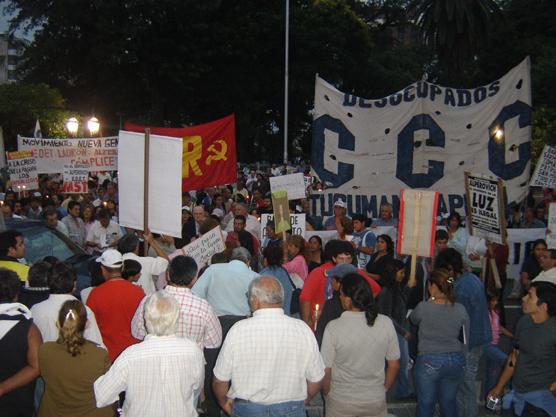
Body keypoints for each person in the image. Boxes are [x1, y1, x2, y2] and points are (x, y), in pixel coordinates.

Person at [212, 276, 325, 417]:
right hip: (291, 409)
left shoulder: (238, 330)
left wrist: (224, 404)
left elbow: (220, 380)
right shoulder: (302, 329)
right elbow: (317, 377)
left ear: (254, 300)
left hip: (248, 410)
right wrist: (304, 400)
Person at [94, 291, 205, 417]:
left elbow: (102, 397)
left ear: (146, 319)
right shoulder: (193, 351)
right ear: (176, 319)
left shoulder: (130, 355)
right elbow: (197, 385)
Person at [321, 273, 400, 417]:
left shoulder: (333, 327)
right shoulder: (385, 323)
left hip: (341, 400)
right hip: (374, 399)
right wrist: (383, 389)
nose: (339, 297)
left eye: (342, 294)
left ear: (349, 299)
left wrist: (327, 394)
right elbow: (394, 365)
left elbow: (326, 370)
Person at [435, 248, 492, 417]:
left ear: (451, 269)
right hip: (479, 337)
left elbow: (456, 320)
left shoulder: (461, 289)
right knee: (462, 383)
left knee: (465, 385)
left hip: (469, 341)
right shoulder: (472, 279)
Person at [488, 282, 556, 416]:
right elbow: (514, 357)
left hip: (541, 399)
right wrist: (499, 387)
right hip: (518, 394)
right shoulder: (523, 322)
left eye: (529, 296)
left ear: (543, 306)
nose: (523, 298)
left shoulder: (553, 330)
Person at [410, 269, 470, 417]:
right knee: (449, 403)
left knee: (426, 403)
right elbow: (465, 338)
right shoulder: (460, 309)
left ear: (432, 286)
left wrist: (431, 299)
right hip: (455, 359)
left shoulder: (424, 307)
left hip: (429, 359)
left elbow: (413, 319)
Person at [37, 300, 113, 417]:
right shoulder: (99, 355)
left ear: (58, 324)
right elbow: (109, 391)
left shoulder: (44, 351)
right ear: (87, 324)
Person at [131, 255, 222, 350]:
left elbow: (136, 333)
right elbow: (214, 342)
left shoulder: (148, 300)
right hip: (190, 362)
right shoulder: (203, 308)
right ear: (194, 279)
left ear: (168, 275)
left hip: (155, 360)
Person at [87, 249, 145, 362]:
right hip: (134, 354)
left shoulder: (95, 294)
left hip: (107, 356)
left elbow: (90, 328)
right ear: (122, 268)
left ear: (103, 269)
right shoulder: (138, 292)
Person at [31, 262, 104, 347]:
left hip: (44, 359)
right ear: (74, 284)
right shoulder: (84, 310)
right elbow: (96, 345)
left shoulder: (35, 310)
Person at [0, 268, 42, 417]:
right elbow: (37, 367)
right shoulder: (29, 329)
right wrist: (3, 388)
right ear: (16, 295)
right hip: (18, 404)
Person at [377, 259, 417, 400]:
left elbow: (400, 306)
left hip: (397, 330)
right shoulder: (386, 292)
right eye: (401, 272)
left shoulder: (397, 289)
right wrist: (403, 331)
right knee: (400, 363)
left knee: (402, 363)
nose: (402, 275)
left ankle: (402, 390)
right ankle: (400, 391)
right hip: (394, 332)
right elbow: (386, 316)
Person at [483, 291, 513, 399]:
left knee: (492, 374)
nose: (495, 302)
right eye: (493, 300)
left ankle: (488, 399)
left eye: (496, 300)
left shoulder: (494, 312)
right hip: (488, 345)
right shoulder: (485, 313)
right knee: (507, 362)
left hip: (494, 344)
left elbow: (499, 327)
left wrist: (512, 336)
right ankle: (510, 389)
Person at [260, 245, 295, 315]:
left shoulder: (262, 277)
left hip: (269, 317)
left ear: (265, 260)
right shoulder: (283, 272)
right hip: (286, 315)